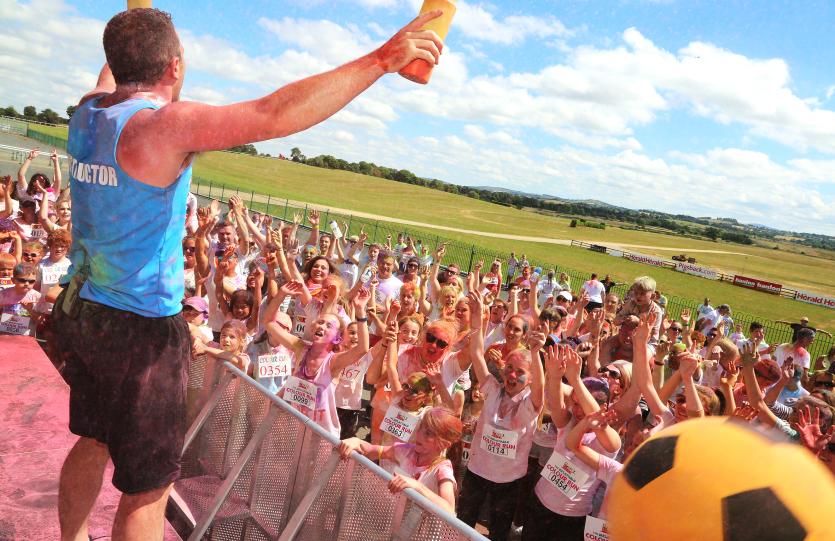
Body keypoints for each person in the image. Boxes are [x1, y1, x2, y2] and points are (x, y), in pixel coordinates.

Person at [49, 7, 446, 540]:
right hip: (139, 330)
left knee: (93, 440)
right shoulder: (161, 126)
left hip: (85, 310)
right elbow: (272, 113)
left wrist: (131, 24)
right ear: (174, 67)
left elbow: (113, 73)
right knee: (148, 487)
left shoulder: (89, 113)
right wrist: (381, 60)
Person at [339, 407, 462, 513]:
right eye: (420, 428)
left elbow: (449, 509)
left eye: (428, 433)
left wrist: (417, 487)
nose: (419, 435)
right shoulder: (406, 451)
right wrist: (356, 442)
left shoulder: (442, 469)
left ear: (444, 444)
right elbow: (370, 451)